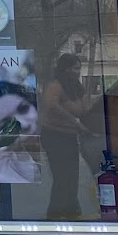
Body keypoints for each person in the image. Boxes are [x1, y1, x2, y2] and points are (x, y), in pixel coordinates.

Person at [39, 53, 93, 219]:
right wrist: (75, 122)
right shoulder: (55, 86)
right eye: (75, 68)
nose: (78, 72)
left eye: (79, 68)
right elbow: (51, 105)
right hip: (54, 135)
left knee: (72, 176)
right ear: (65, 69)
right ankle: (55, 214)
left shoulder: (75, 88)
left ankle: (71, 211)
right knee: (62, 176)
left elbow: (81, 109)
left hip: (70, 136)